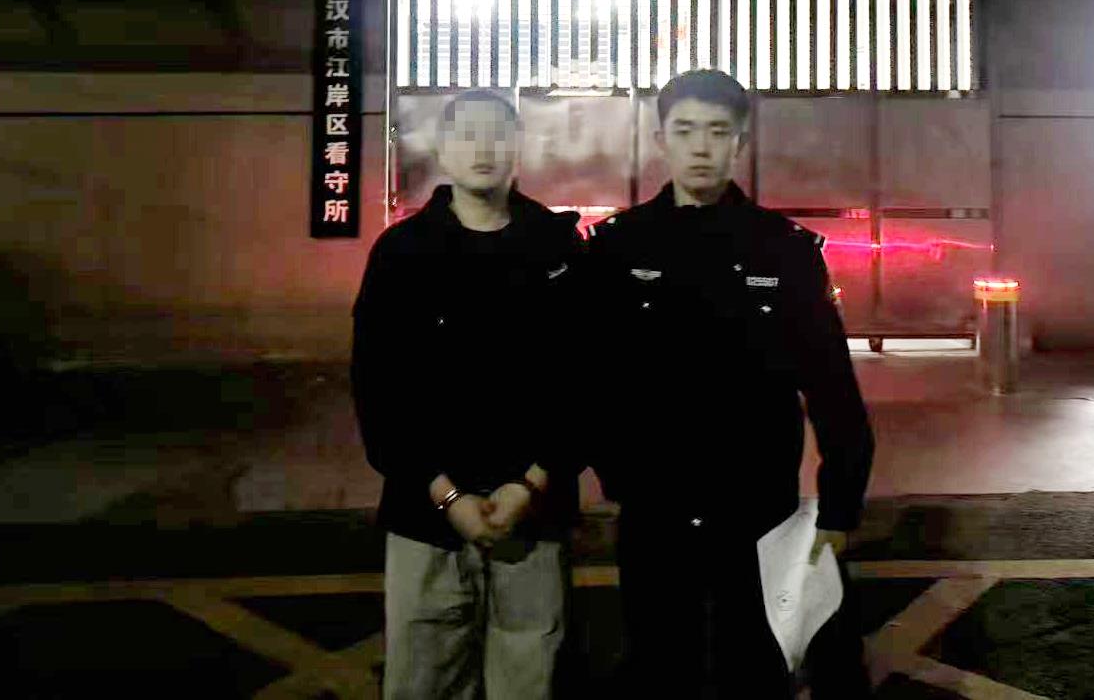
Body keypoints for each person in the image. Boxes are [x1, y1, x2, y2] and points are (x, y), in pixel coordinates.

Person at [586, 69, 875, 697]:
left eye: (718, 132)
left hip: (758, 506)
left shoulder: (785, 251)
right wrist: (618, 472)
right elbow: (593, 376)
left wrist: (840, 504)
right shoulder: (617, 247)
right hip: (655, 504)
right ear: (660, 139)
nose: (701, 147)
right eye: (685, 130)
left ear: (739, 143)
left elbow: (831, 386)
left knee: (755, 666)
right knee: (660, 663)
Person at [350, 89, 583, 699]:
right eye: (467, 133)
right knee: (423, 680)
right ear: (443, 148)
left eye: (497, 133)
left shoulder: (558, 249)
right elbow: (379, 388)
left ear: (518, 147)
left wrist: (530, 482)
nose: (483, 147)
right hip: (425, 514)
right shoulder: (402, 253)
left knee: (530, 678)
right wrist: (445, 494)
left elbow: (586, 381)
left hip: (533, 513)